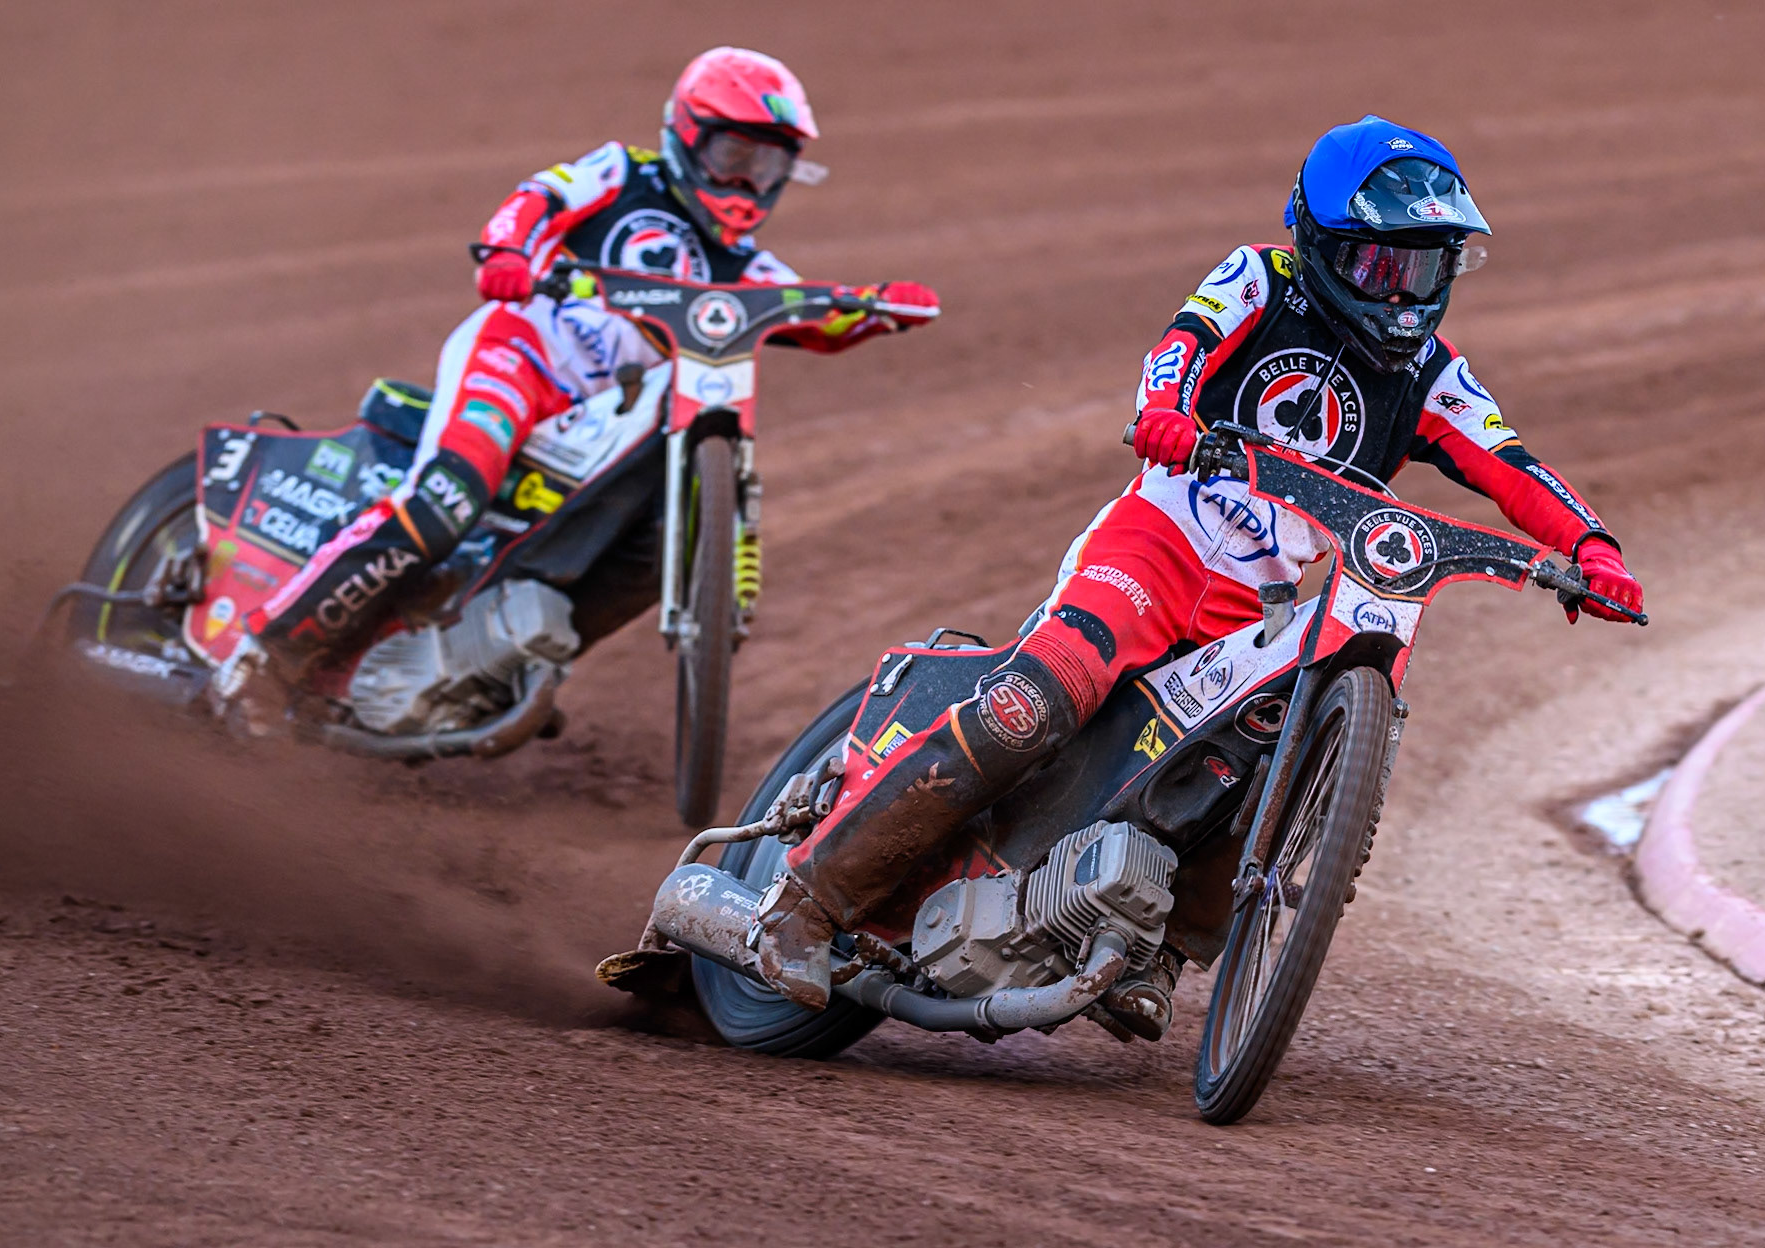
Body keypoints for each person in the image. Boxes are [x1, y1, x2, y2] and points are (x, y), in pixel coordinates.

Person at [749, 115, 1645, 1035]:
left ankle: (1158, 951)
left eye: (1427, 266)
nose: (1404, 294)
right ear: (1322, 244)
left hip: (1253, 607)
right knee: (1039, 699)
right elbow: (1178, 346)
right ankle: (804, 903)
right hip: (1155, 544)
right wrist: (1165, 411)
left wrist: (1592, 549)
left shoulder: (1433, 376)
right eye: (1383, 265)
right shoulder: (1259, 278)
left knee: (1261, 766)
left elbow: (1512, 465)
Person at [216, 47, 937, 697]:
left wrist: (877, 309)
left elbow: (808, 319)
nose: (749, 181)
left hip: (602, 421)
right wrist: (505, 251)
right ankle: (262, 653)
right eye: (734, 154)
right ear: (687, 135)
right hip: (519, 357)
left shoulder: (747, 267)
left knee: (656, 541)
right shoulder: (624, 173)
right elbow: (540, 198)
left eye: (770, 165)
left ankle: (496, 672)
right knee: (447, 498)